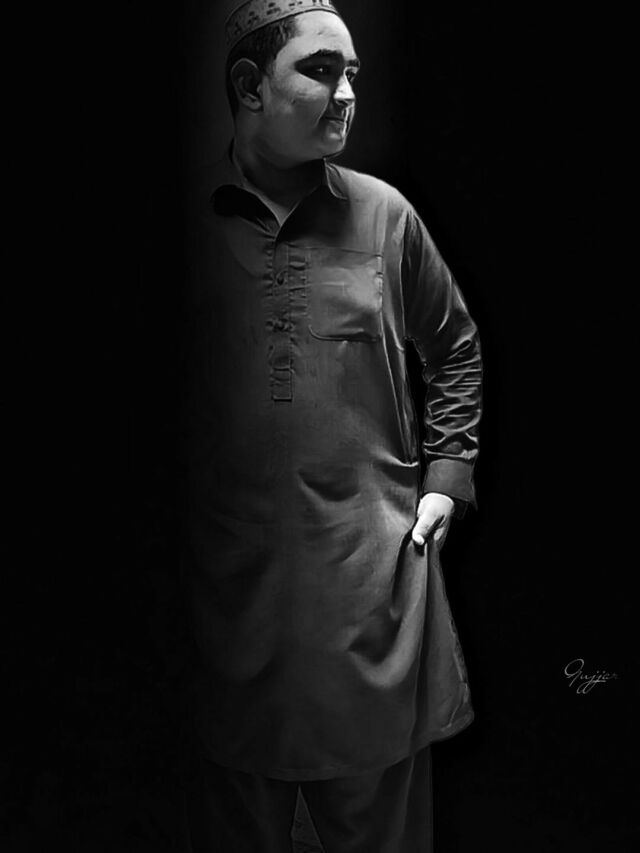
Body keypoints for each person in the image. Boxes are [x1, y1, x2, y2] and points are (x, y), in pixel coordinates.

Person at [180, 1, 483, 850]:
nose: (347, 92)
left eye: (352, 73)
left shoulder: (385, 216)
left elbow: (455, 345)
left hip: (371, 594)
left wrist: (446, 478)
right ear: (249, 86)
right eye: (320, 71)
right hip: (223, 600)